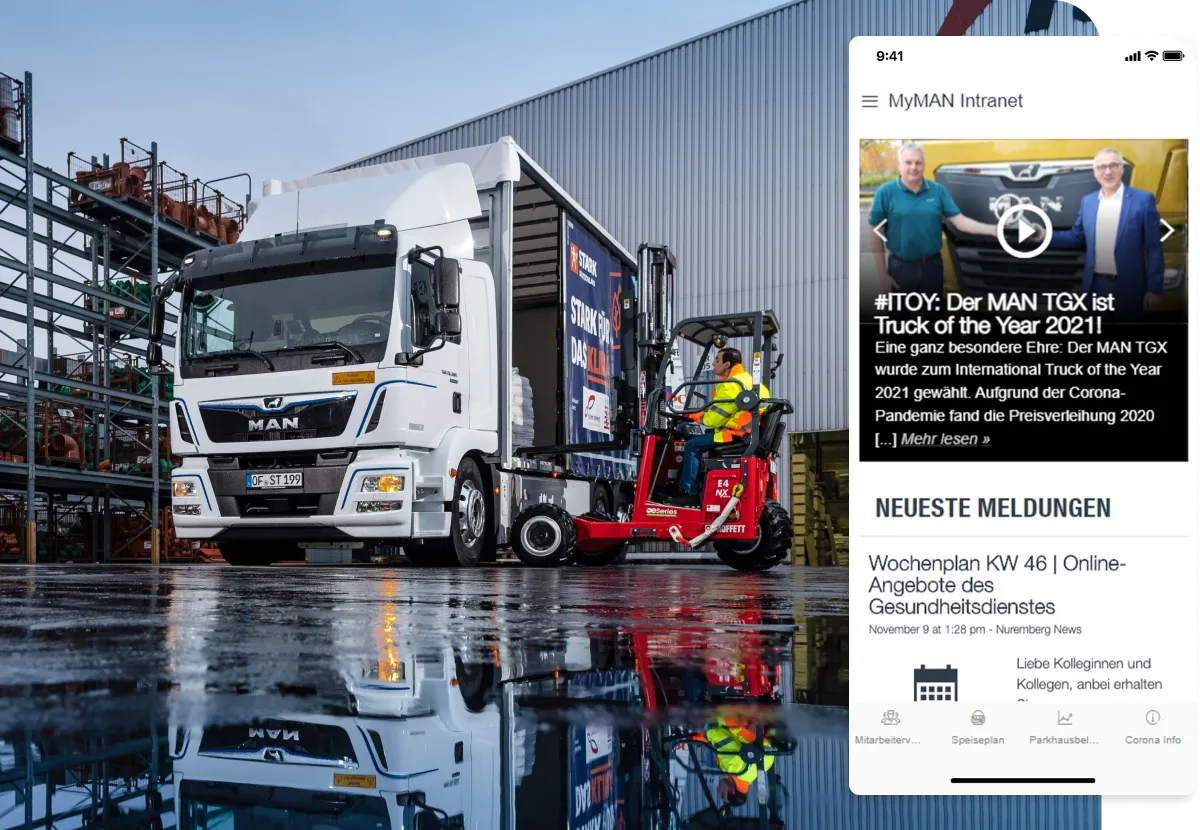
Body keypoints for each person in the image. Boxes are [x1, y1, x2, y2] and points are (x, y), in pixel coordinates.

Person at [1031, 148, 1164, 321]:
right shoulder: (1088, 202)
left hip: (1129, 289)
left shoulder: (1143, 200)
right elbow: (1076, 237)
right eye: (1102, 167)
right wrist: (1045, 235)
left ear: (1122, 169)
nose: (1107, 172)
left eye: (1113, 166)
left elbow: (1154, 248)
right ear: (1095, 172)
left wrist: (1153, 290)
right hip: (1095, 288)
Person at [868, 142, 1000, 308]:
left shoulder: (937, 191)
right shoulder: (885, 193)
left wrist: (994, 230)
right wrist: (882, 275)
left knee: (933, 317)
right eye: (908, 162)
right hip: (900, 268)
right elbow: (875, 234)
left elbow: (960, 221)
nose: (913, 167)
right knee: (899, 319)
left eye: (918, 162)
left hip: (933, 267)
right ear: (899, 165)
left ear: (924, 164)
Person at [675, 348, 768, 499]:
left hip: (735, 434)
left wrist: (693, 415)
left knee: (691, 446)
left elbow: (714, 420)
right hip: (748, 433)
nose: (713, 363)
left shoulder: (731, 385)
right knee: (704, 437)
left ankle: (688, 492)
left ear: (727, 364)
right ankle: (686, 483)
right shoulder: (751, 381)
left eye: (717, 360)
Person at [702, 718, 776, 807]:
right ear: (732, 791)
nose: (719, 790)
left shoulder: (762, 769)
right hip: (742, 718)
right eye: (722, 794)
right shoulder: (733, 768)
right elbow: (717, 734)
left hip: (762, 721)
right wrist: (702, 735)